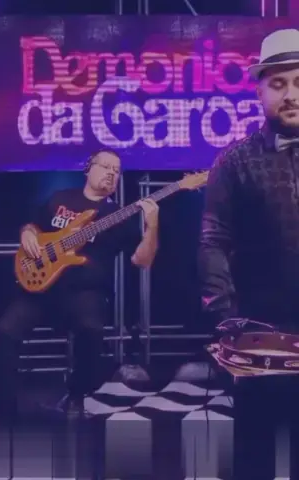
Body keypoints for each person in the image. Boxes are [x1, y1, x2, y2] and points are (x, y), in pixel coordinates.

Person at [0, 149, 159, 422]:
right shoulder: (60, 198)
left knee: (92, 330)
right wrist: (27, 234)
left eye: (117, 171)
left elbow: (142, 260)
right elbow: (31, 225)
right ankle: (3, 410)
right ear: (88, 168)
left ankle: (77, 394)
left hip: (85, 293)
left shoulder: (118, 215)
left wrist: (152, 225)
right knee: (5, 331)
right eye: (106, 166)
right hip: (41, 288)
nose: (111, 173)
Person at [199, 29, 299, 479]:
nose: (290, 94)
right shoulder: (233, 161)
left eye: (298, 82)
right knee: (253, 458)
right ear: (260, 91)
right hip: (259, 334)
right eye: (278, 84)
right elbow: (213, 241)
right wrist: (227, 318)